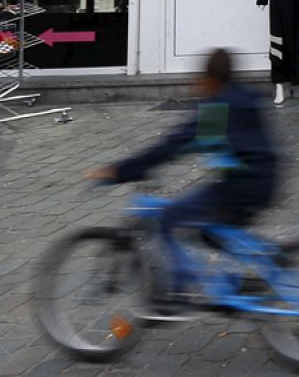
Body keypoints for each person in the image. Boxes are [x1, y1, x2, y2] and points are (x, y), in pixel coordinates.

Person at [86, 49, 279, 300]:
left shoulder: (219, 106)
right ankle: (244, 277)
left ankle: (178, 288)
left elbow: (174, 145)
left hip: (241, 186)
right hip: (260, 181)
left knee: (168, 217)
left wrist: (121, 171)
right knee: (207, 230)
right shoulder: (240, 97)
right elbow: (195, 143)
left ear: (210, 79)